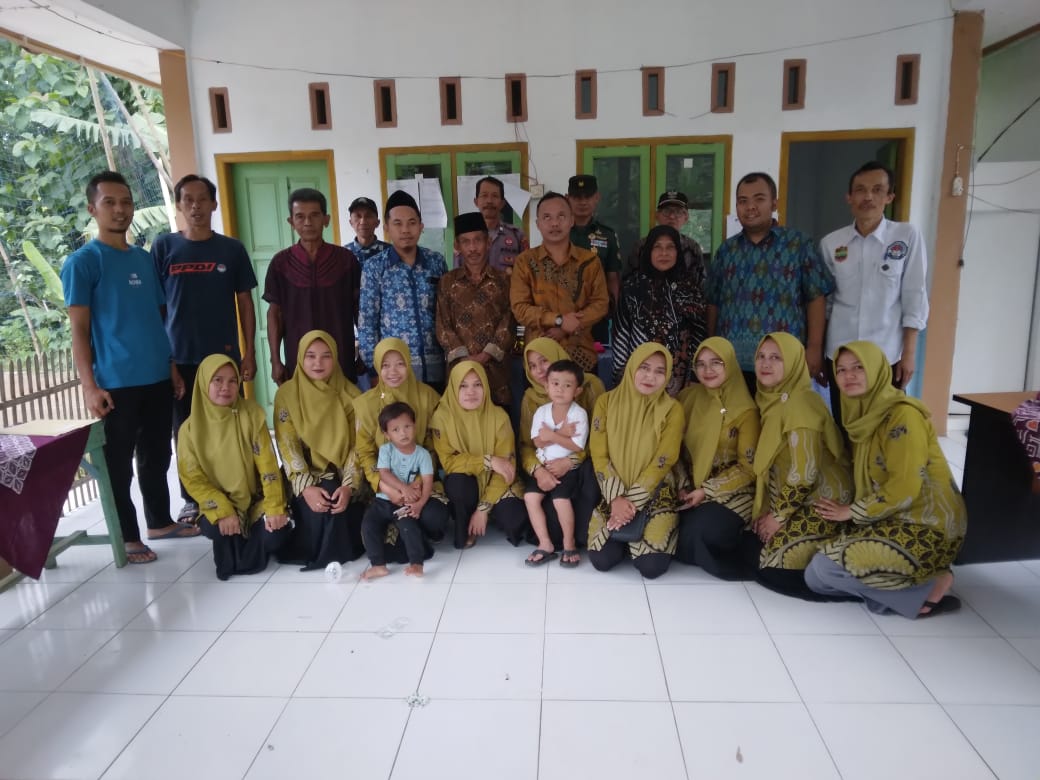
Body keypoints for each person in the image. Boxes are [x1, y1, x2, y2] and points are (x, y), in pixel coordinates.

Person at [61, 170, 197, 565]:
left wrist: (171, 365)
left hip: (156, 375)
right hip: (116, 382)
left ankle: (159, 522)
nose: (120, 210)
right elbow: (79, 330)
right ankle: (128, 535)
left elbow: (157, 319)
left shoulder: (142, 258)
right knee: (118, 465)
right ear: (93, 209)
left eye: (126, 202)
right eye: (110, 203)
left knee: (157, 455)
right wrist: (89, 386)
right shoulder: (84, 263)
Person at [806, 341, 967, 618]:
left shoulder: (903, 415)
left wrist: (851, 511)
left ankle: (930, 585)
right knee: (815, 578)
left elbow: (905, 487)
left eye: (858, 367)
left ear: (877, 370)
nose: (848, 376)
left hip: (926, 524)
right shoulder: (858, 415)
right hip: (888, 516)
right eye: (841, 370)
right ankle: (902, 591)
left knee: (825, 569)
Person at [153, 173, 259, 525]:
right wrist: (166, 359)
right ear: (179, 205)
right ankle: (192, 499)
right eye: (188, 200)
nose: (195, 206)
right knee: (186, 431)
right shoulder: (164, 247)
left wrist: (248, 353)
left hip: (223, 360)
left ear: (214, 204)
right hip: (180, 358)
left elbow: (245, 303)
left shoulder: (231, 249)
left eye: (202, 199)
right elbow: (157, 308)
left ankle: (238, 489)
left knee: (231, 426)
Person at [820, 161, 929, 423]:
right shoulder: (831, 243)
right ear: (849, 197)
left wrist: (909, 355)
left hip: (886, 355)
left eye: (877, 190)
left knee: (887, 428)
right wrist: (819, 352)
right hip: (840, 355)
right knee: (844, 425)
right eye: (860, 190)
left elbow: (914, 295)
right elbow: (825, 304)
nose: (868, 197)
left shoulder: (906, 236)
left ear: (890, 196)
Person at [706, 172, 835, 391]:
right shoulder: (726, 251)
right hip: (733, 365)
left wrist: (815, 347)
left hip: (784, 363)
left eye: (759, 199)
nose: (750, 207)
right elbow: (713, 302)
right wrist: (711, 348)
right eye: (743, 201)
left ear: (774, 203)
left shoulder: (798, 245)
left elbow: (816, 296)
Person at [751, 332, 853, 598]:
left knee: (773, 569)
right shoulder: (771, 400)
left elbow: (804, 473)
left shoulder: (800, 404)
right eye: (761, 356)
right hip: (798, 498)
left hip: (825, 502)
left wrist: (778, 517)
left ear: (795, 363)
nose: (766, 363)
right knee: (751, 553)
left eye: (777, 358)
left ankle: (844, 562)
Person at [177, 355, 290, 580]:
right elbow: (193, 479)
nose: (226, 388)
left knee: (275, 535)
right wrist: (223, 510)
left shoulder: (251, 414)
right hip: (221, 500)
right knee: (216, 527)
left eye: (232, 381)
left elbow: (268, 467)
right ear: (204, 383)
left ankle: (250, 542)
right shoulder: (189, 430)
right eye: (217, 380)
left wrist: (274, 507)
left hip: (256, 499)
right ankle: (238, 538)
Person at [587, 343, 684, 579]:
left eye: (660, 371)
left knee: (651, 567)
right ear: (631, 367)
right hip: (613, 490)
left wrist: (631, 502)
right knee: (601, 560)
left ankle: (634, 535)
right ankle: (626, 536)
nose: (651, 376)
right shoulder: (606, 402)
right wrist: (616, 499)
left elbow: (664, 459)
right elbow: (599, 454)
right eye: (644, 367)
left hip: (655, 491)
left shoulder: (672, 409)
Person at [273, 330, 365, 571]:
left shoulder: (351, 394)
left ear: (335, 358)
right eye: (311, 356)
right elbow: (288, 446)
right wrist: (306, 487)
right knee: (319, 510)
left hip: (344, 473)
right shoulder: (287, 395)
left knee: (337, 502)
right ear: (300, 358)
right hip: (305, 473)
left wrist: (349, 486)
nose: (318, 363)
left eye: (326, 356)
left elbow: (358, 447)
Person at [354, 338, 449, 556]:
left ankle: (414, 528)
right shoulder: (366, 404)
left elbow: (433, 446)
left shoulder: (428, 397)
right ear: (377, 367)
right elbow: (365, 453)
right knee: (373, 525)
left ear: (408, 363)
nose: (393, 372)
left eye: (400, 364)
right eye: (385, 365)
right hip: (384, 485)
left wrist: (417, 484)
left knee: (435, 517)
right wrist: (385, 487)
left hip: (420, 481)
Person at [675, 338, 760, 579]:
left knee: (699, 532)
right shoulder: (687, 398)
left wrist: (707, 491)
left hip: (732, 490)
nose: (707, 370)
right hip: (689, 486)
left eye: (716, 362)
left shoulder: (746, 410)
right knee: (666, 525)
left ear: (730, 364)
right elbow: (674, 449)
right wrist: (683, 485)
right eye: (700, 364)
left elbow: (748, 468)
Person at [264, 187, 361, 383]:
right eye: (300, 217)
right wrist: (275, 360)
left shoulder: (345, 260)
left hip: (340, 357)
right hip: (298, 360)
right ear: (291, 222)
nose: (307, 222)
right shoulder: (280, 264)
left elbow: (360, 310)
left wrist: (365, 353)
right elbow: (274, 314)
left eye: (315, 215)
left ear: (326, 219)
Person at [430, 361, 529, 549]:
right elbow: (450, 462)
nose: (471, 392)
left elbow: (506, 466)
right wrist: (488, 460)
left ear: (485, 386)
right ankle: (466, 525)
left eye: (477, 384)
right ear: (453, 388)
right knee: (458, 483)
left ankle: (486, 512)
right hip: (467, 482)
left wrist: (483, 508)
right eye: (463, 386)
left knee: (514, 520)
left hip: (496, 480)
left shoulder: (499, 416)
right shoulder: (442, 418)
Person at [519, 338, 604, 549]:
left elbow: (600, 436)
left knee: (580, 487)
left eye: (544, 361)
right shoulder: (530, 398)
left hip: (583, 464)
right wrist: (538, 471)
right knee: (537, 504)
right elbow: (527, 444)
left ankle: (577, 539)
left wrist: (570, 461)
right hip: (546, 464)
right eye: (532, 366)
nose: (539, 370)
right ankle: (547, 542)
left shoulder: (589, 386)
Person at [510, 192, 609, 373]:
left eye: (561, 216)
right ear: (538, 224)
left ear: (571, 221)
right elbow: (520, 308)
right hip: (539, 361)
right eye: (547, 217)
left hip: (581, 358)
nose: (554, 223)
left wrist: (568, 327)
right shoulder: (525, 262)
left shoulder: (589, 262)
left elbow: (600, 304)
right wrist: (559, 320)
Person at [358, 190, 447, 387]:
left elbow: (446, 314)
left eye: (412, 223)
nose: (405, 230)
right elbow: (367, 323)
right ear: (387, 228)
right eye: (398, 223)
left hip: (436, 370)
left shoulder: (436, 262)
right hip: (394, 374)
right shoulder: (375, 267)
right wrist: (374, 369)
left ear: (421, 226)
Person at [612, 224, 707, 395]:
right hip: (639, 377)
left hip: (681, 380)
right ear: (648, 251)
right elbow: (621, 333)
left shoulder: (691, 289)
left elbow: (699, 334)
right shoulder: (632, 289)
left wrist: (695, 375)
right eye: (657, 247)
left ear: (678, 252)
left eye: (670, 247)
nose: (664, 253)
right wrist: (621, 375)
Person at [436, 211, 514, 406]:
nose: (472, 248)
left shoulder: (504, 280)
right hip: (460, 370)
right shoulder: (447, 282)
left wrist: (486, 355)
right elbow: (443, 325)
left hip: (495, 371)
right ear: (457, 246)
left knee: (497, 419)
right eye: (466, 242)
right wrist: (464, 357)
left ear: (488, 242)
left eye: (478, 240)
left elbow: (509, 321)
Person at [360, 402, 437, 580]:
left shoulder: (422, 454)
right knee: (368, 525)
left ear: (415, 426)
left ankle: (417, 564)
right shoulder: (385, 450)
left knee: (408, 527)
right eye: (395, 430)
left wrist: (420, 504)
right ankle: (378, 565)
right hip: (382, 500)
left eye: (407, 427)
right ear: (387, 434)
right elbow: (384, 474)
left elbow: (428, 481)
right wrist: (403, 487)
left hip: (404, 504)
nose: (403, 433)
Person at [523, 360, 588, 568]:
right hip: (544, 466)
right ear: (546, 386)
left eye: (567, 385)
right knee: (530, 497)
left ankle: (569, 543)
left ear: (577, 391)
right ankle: (545, 543)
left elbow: (577, 446)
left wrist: (550, 435)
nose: (560, 389)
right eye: (555, 383)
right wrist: (560, 433)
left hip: (567, 467)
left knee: (560, 499)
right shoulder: (541, 411)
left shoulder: (578, 414)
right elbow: (537, 441)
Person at [568, 174, 621, 343]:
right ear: (567, 198)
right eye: (577, 197)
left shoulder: (607, 235)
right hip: (564, 315)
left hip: (597, 317)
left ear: (597, 197)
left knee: (599, 358)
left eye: (588, 196)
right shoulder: (558, 232)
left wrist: (616, 314)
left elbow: (612, 278)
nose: (582, 202)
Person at [624, 191, 706, 287]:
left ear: (686, 217)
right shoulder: (641, 246)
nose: (672, 216)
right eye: (667, 211)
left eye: (678, 212)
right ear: (657, 215)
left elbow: (702, 284)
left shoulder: (693, 247)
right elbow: (628, 282)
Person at [459, 176, 528, 273]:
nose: (489, 201)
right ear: (476, 201)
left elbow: (526, 273)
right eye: (484, 195)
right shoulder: (463, 237)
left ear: (502, 203)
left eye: (495, 196)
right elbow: (456, 275)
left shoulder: (517, 235)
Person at [345, 196, 389, 265]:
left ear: (377, 222)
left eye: (368, 216)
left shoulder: (389, 252)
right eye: (358, 216)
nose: (363, 221)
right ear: (351, 223)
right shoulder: (343, 254)